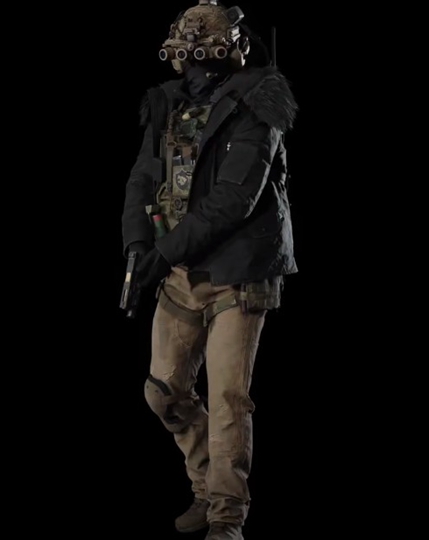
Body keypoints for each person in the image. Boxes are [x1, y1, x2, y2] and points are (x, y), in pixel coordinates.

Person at [120, 1, 299, 538]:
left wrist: (162, 253)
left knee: (227, 402)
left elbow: (233, 200)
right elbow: (143, 176)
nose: (194, 63)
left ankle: (226, 515)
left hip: (238, 274)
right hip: (180, 271)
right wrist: (138, 245)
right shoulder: (168, 103)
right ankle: (205, 482)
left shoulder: (259, 105)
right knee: (163, 391)